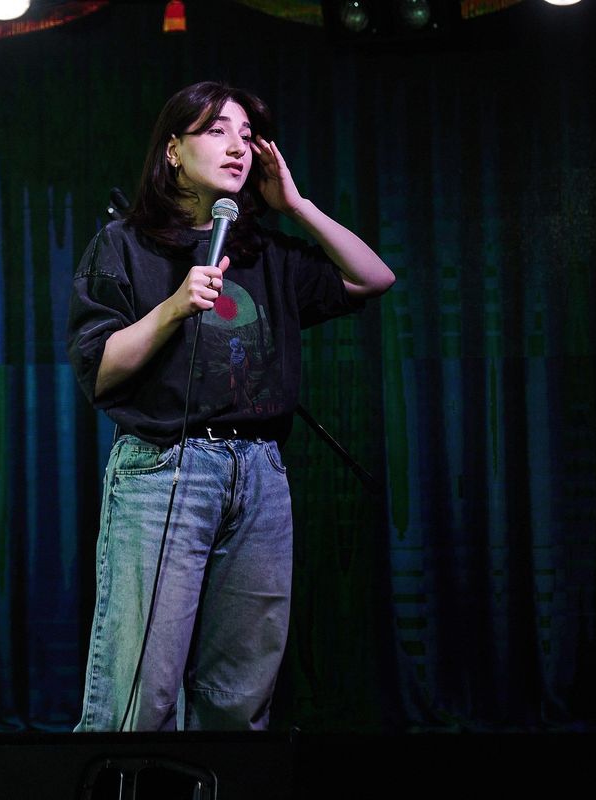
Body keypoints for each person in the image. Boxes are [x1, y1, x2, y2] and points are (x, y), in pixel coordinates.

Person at [66, 80, 394, 732]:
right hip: (165, 468)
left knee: (241, 694)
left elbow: (373, 277)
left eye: (247, 134)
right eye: (217, 130)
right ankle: (122, 779)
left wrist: (296, 206)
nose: (238, 146)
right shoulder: (124, 244)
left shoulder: (265, 252)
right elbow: (99, 371)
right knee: (141, 693)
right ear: (172, 151)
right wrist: (172, 307)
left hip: (261, 473)